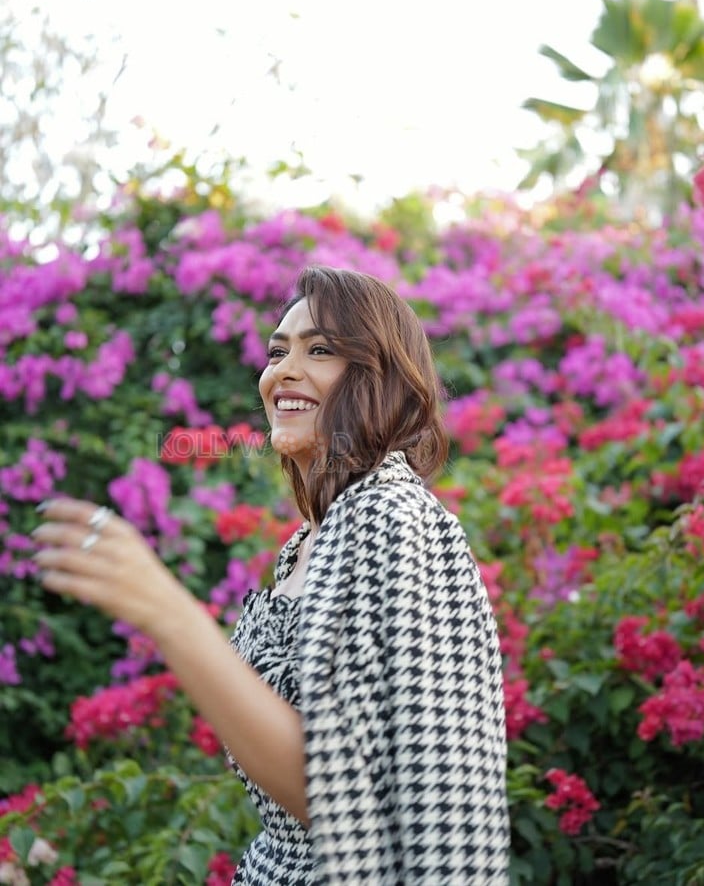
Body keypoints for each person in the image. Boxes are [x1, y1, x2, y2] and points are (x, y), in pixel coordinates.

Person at [32, 265, 510, 884]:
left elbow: (339, 802)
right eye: (278, 350)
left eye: (320, 350)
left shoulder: (389, 517)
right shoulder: (312, 540)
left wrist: (166, 612)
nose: (282, 370)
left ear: (380, 378)